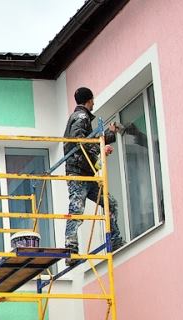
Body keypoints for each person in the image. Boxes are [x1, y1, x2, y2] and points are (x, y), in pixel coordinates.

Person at [63, 86, 124, 260]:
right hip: (78, 173)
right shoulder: (81, 117)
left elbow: (88, 141)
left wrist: (109, 134)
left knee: (109, 203)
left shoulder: (81, 118)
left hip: (86, 173)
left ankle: (114, 239)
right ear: (89, 100)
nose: (94, 103)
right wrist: (100, 150)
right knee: (77, 208)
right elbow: (80, 141)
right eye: (93, 100)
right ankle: (70, 249)